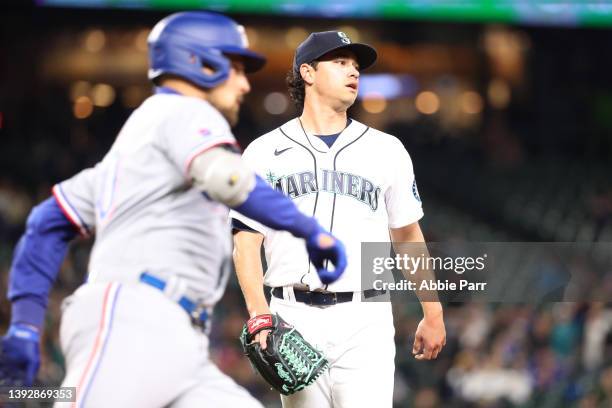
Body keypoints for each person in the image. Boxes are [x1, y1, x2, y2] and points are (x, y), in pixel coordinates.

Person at [0, 13, 347, 407]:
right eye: (235, 68)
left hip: (179, 340)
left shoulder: (135, 149)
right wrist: (307, 229)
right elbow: (227, 178)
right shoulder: (185, 112)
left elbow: (46, 223)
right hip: (134, 321)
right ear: (200, 62)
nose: (245, 83)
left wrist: (27, 327)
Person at [231, 31, 446, 407]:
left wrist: (432, 309)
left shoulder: (386, 150)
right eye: (341, 62)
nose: (353, 72)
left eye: (356, 66)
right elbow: (246, 241)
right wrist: (259, 313)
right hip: (292, 317)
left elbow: (408, 235)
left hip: (367, 317)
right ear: (308, 72)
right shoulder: (263, 153)